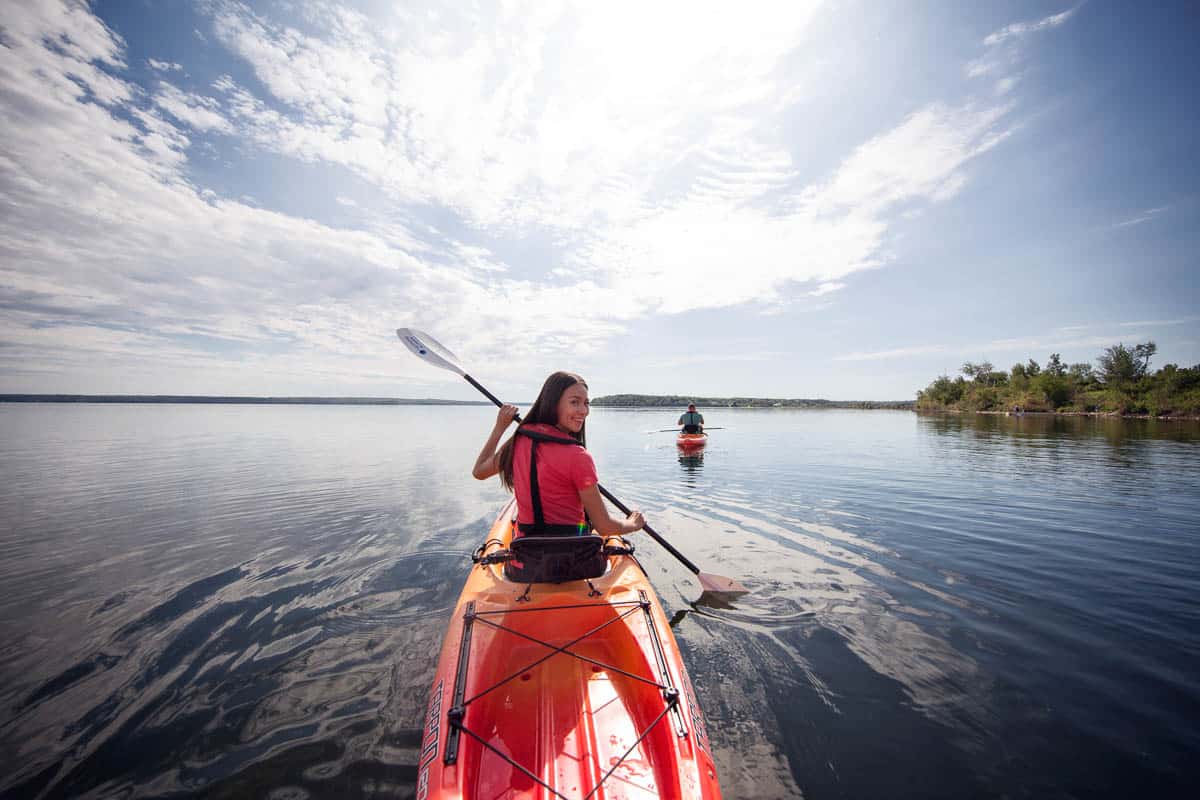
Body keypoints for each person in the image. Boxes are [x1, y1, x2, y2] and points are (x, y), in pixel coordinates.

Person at [472, 371, 644, 581]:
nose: (583, 411)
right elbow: (605, 526)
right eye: (575, 402)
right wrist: (633, 524)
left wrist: (500, 428)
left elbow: (479, 471)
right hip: (579, 567)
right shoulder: (578, 456)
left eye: (586, 403)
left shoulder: (518, 442)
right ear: (553, 403)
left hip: (525, 567)